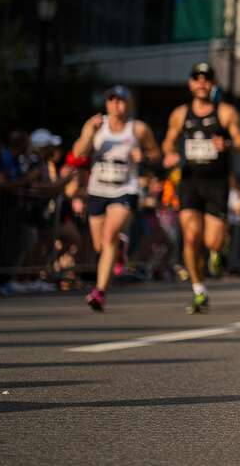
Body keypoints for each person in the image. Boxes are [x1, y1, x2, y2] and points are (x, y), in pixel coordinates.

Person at [161, 62, 240, 314]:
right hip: (190, 181)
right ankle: (199, 290)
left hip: (217, 182)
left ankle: (218, 251)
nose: (201, 83)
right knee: (190, 236)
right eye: (197, 78)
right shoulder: (180, 114)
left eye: (206, 79)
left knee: (212, 240)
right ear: (190, 83)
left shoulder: (226, 112)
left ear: (212, 84)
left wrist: (227, 143)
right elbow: (168, 142)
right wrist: (169, 155)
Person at [71, 86, 161, 311]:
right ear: (107, 104)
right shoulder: (96, 125)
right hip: (98, 189)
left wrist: (144, 156)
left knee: (110, 234)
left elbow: (156, 154)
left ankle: (99, 291)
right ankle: (119, 249)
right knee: (100, 245)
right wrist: (90, 134)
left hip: (125, 189)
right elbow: (78, 153)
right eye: (112, 100)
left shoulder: (137, 129)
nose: (116, 105)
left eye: (121, 101)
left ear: (127, 104)